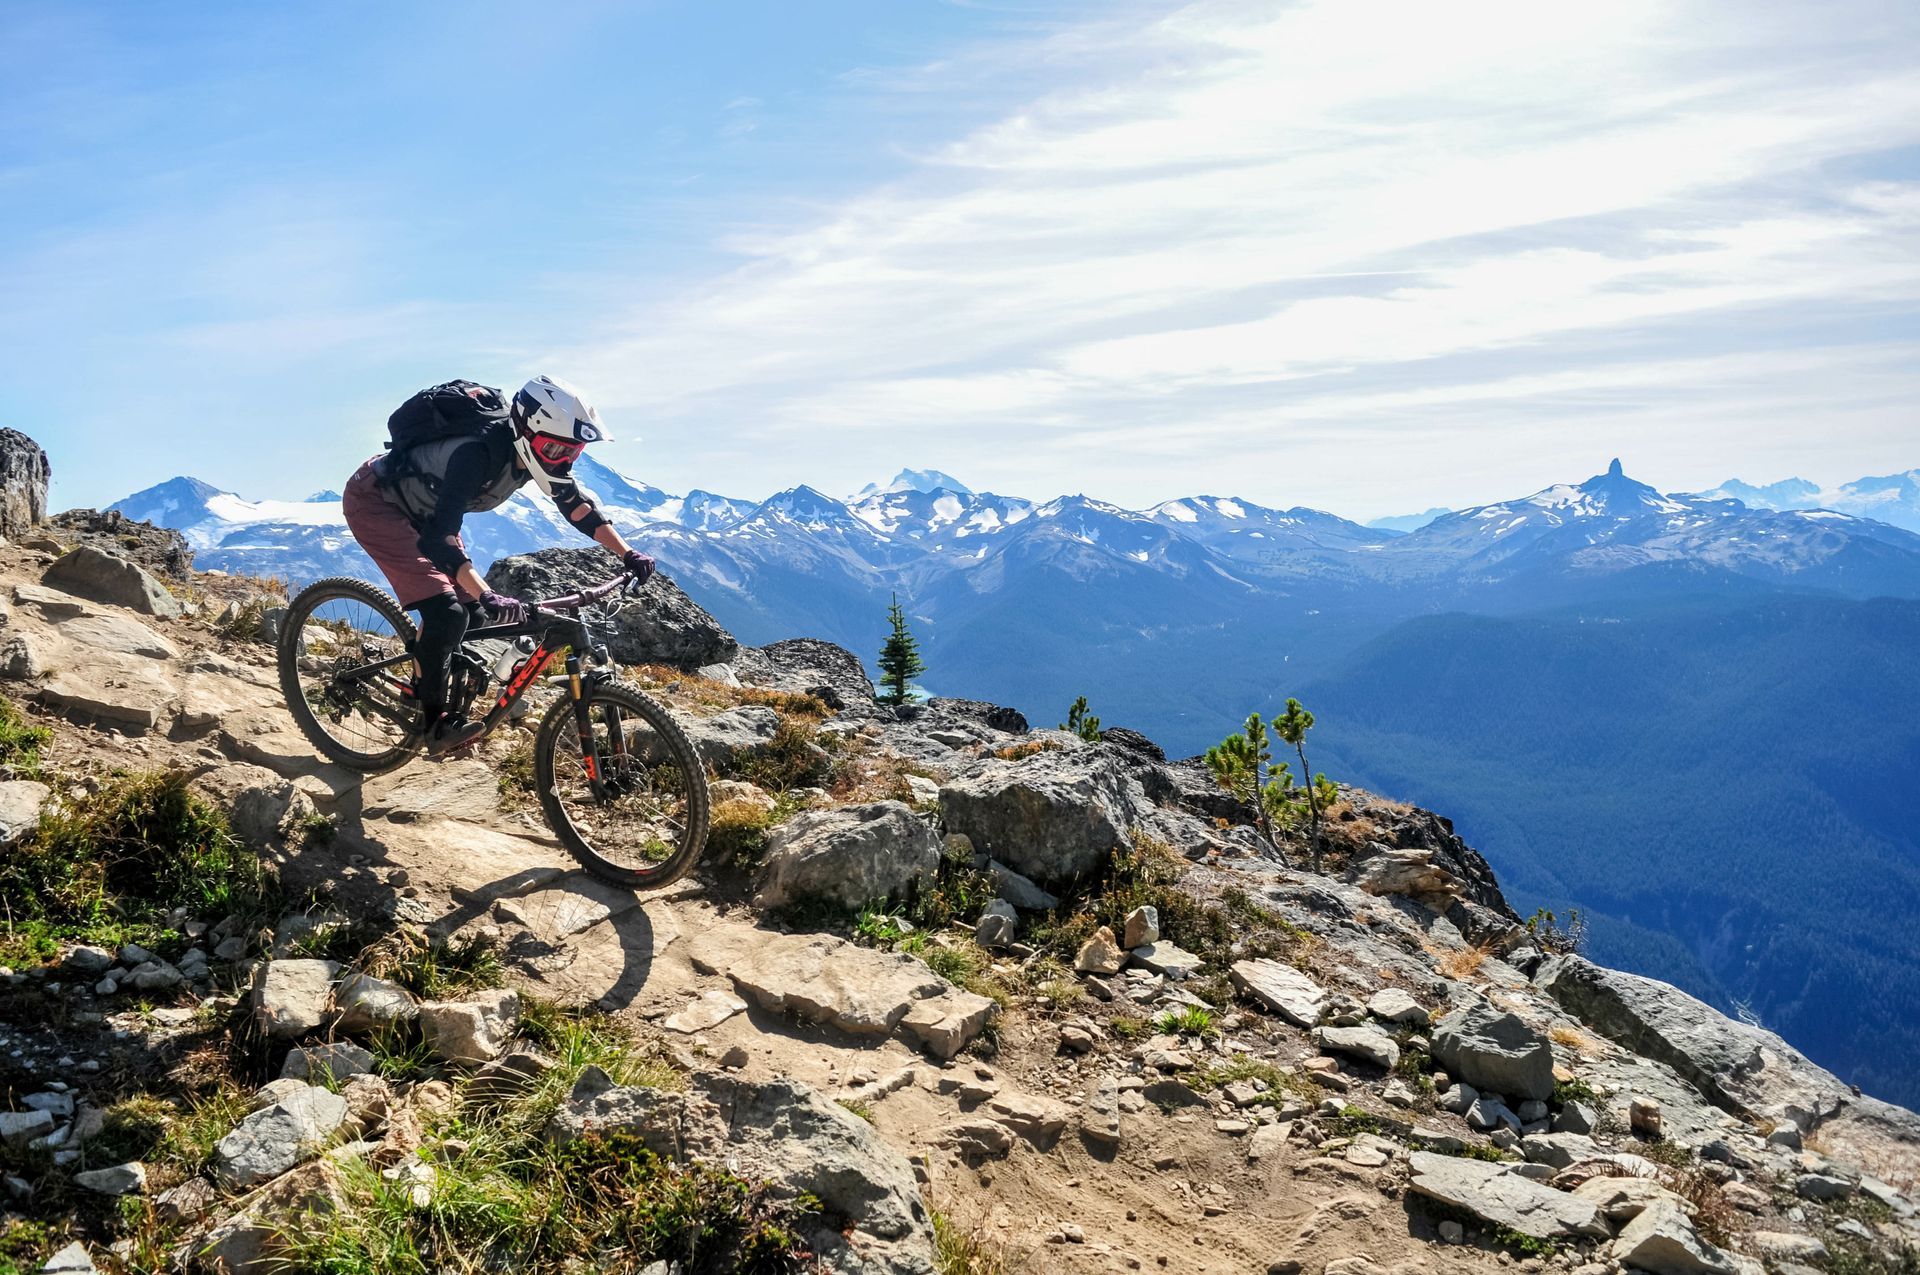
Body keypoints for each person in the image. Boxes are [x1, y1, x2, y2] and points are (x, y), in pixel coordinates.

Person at [341, 375, 655, 754]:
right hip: (378, 504)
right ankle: (435, 724)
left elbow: (577, 506)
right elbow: (439, 540)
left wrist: (627, 553)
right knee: (447, 613)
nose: (562, 460)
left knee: (470, 614)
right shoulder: (477, 454)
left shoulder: (533, 455)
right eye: (555, 448)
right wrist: (489, 594)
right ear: (526, 430)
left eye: (572, 453)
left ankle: (425, 679)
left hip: (426, 511)